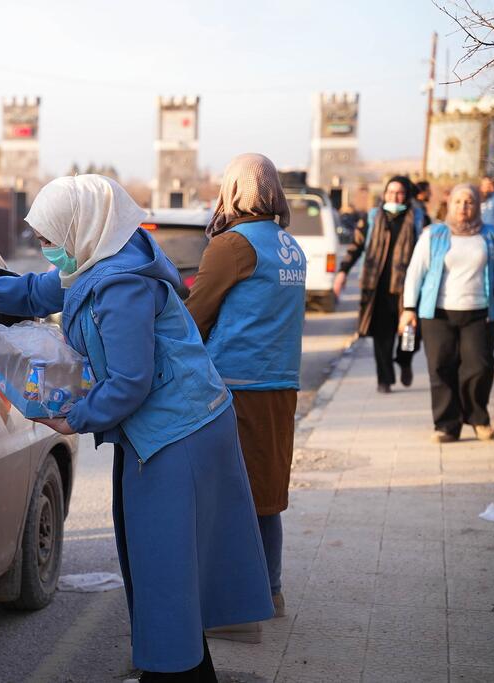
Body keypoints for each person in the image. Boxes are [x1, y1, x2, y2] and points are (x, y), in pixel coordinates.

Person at [0, 175, 273, 682]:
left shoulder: (123, 284)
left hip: (180, 434)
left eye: (50, 240)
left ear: (81, 228)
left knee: (165, 566)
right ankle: (184, 669)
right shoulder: (103, 258)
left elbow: (131, 381)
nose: (47, 252)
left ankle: (171, 672)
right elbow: (44, 288)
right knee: (163, 565)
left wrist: (73, 420)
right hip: (164, 429)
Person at [184, 154, 305, 639]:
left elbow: (196, 313)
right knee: (266, 495)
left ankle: (239, 615)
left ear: (233, 189)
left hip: (237, 386)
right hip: (281, 383)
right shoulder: (289, 245)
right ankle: (270, 593)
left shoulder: (232, 245)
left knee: (230, 497)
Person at [400, 184, 494, 442]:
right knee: (440, 367)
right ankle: (447, 425)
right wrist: (409, 308)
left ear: (477, 205)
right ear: (449, 204)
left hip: (480, 311)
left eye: (469, 202)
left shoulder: (491, 234)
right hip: (437, 312)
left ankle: (478, 418)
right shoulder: (434, 234)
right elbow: (415, 272)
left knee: (479, 366)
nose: (463, 207)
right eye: (458, 202)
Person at [333, 176, 429, 393]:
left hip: (409, 289)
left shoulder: (419, 219)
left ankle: (404, 360)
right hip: (377, 287)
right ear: (384, 194)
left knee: (411, 336)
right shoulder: (372, 218)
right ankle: (384, 379)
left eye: (400, 193)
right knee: (382, 337)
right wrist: (342, 272)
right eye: (391, 192)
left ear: (407, 195)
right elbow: (356, 246)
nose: (394, 196)